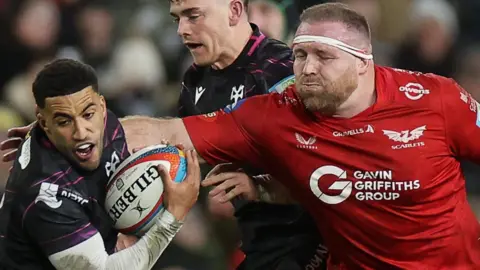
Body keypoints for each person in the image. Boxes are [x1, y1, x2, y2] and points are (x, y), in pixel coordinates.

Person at [5, 3, 480, 268]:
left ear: (363, 61)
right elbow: (166, 131)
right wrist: (68, 130)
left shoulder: (435, 99)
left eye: (322, 57)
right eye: (300, 56)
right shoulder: (270, 111)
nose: (306, 71)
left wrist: (268, 191)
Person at [0, 59, 200, 270]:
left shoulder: (108, 125)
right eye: (64, 121)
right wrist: (173, 215)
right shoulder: (46, 196)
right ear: (44, 123)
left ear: (102, 107)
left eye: (87, 114)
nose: (81, 132)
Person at [170, 0, 325, 268]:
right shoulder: (193, 83)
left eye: (193, 16)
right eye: (177, 19)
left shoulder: (281, 71)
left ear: (234, 11)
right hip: (255, 242)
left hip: (314, 242)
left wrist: (259, 186)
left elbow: (331, 170)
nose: (181, 29)